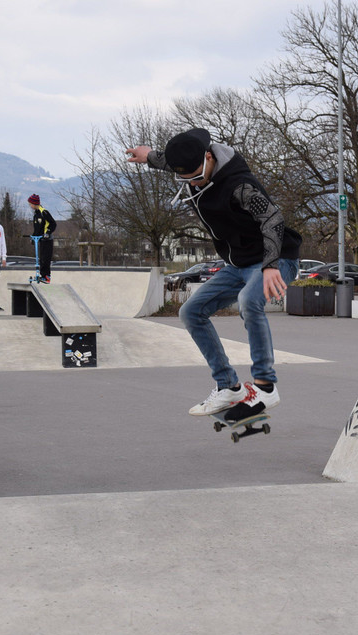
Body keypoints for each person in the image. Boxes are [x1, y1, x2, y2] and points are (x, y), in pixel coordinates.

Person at [126, 128, 302, 420]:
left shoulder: (240, 185)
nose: (193, 183)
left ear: (209, 157)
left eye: (197, 177)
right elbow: (168, 160)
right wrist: (149, 157)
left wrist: (271, 265)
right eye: (186, 179)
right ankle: (228, 386)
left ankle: (266, 387)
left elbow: (272, 219)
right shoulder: (189, 163)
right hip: (238, 264)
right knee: (191, 311)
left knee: (249, 301)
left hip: (276, 258)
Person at [27, 194, 57, 283]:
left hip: (47, 239)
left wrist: (48, 233)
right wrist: (33, 237)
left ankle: (47, 276)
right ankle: (42, 275)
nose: (30, 205)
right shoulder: (36, 215)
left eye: (30, 204)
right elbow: (37, 229)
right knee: (41, 258)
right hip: (41, 240)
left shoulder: (44, 212)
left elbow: (53, 224)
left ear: (34, 203)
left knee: (46, 258)